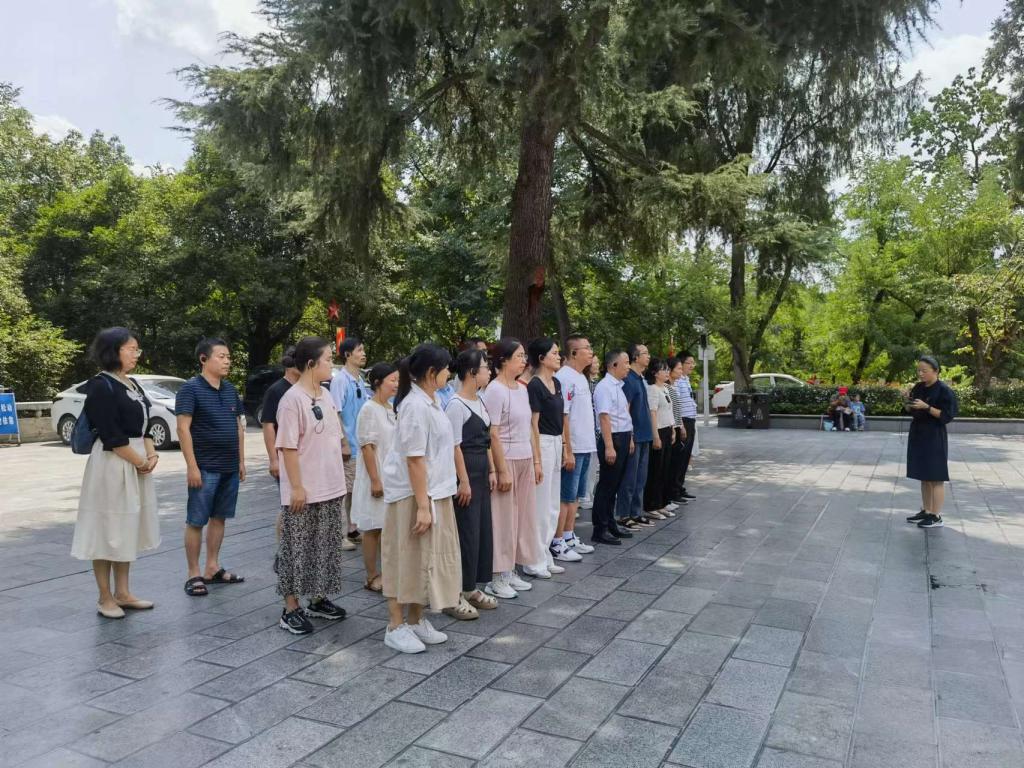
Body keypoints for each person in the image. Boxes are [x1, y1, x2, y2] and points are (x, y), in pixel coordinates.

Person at [72, 328, 160, 618]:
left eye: (137, 349)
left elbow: (146, 425)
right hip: (112, 464)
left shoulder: (132, 383)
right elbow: (111, 435)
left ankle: (123, 592)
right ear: (114, 351)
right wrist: (140, 461)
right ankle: (105, 597)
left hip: (136, 461)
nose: (137, 354)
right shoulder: (100, 386)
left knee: (126, 528)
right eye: (131, 349)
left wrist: (151, 454)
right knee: (106, 530)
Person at [381, 343, 462, 653]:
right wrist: (423, 507)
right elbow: (414, 459)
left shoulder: (431, 400)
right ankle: (395, 625)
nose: (449, 373)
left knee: (424, 560)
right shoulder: (415, 406)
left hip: (434, 491)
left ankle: (415, 620)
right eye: (446, 369)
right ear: (431, 372)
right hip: (413, 495)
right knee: (403, 558)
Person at [274, 337, 349, 634]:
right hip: (304, 489)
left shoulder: (326, 394)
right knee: (297, 548)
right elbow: (288, 447)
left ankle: (318, 599)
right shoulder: (291, 400)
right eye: (328, 359)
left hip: (330, 484)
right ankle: (290, 608)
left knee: (325, 547)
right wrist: (296, 487)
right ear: (310, 364)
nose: (332, 364)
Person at [176, 338, 246, 597]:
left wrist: (241, 461)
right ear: (203, 359)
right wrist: (191, 466)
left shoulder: (230, 390)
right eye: (221, 356)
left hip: (229, 466)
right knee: (196, 520)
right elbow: (182, 428)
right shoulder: (190, 389)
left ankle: (212, 567)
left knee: (220, 517)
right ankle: (193, 573)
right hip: (205, 467)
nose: (227, 361)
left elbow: (238, 427)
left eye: (228, 356)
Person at [482, 338, 542, 598]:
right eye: (519, 356)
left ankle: (511, 569)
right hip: (506, 459)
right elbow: (492, 433)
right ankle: (496, 575)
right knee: (503, 518)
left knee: (523, 517)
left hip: (524, 457)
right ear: (504, 360)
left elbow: (528, 427)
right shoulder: (495, 390)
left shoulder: (521, 388)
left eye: (524, 355)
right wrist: (500, 469)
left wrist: (536, 460)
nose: (524, 360)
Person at [444, 348, 499, 618]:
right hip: (465, 472)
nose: (489, 372)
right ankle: (456, 590)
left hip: (481, 471)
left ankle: (471, 587)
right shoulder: (456, 404)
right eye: (485, 367)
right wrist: (463, 481)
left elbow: (487, 441)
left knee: (480, 531)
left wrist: (492, 469)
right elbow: (454, 446)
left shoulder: (480, 400)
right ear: (472, 372)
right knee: (465, 532)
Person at [352, 362, 399, 594]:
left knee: (387, 527)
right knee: (372, 528)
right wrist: (375, 480)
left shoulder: (390, 407)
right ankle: (371, 575)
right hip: (376, 474)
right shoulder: (369, 409)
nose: (396, 384)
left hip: (392, 476)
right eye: (392, 380)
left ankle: (388, 572)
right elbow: (367, 447)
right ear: (378, 382)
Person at [525, 337, 567, 579]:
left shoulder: (557, 382)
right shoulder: (535, 386)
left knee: (552, 504)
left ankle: (545, 553)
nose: (558, 357)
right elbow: (533, 424)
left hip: (556, 441)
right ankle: (533, 559)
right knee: (540, 506)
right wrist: (537, 459)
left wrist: (565, 446)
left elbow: (561, 417)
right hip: (541, 442)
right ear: (541, 358)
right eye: (554, 353)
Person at [554, 334, 597, 558]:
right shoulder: (564, 377)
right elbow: (563, 416)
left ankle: (569, 536)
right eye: (586, 348)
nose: (590, 352)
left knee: (577, 496)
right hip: (574, 446)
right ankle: (557, 541)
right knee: (566, 496)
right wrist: (567, 449)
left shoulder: (581, 377)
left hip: (586, 445)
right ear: (573, 353)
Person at [905, 355, 959, 529]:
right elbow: (911, 409)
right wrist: (908, 402)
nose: (920, 374)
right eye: (918, 371)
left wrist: (927, 407)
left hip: (934, 436)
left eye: (924, 371)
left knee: (935, 477)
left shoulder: (944, 390)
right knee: (924, 475)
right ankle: (927, 510)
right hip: (918, 433)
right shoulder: (918, 387)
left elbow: (947, 416)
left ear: (936, 371)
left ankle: (936, 515)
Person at [591, 350, 635, 545]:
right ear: (613, 365)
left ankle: (610, 524)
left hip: (622, 437)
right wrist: (609, 446)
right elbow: (604, 417)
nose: (628, 366)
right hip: (613, 439)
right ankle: (600, 529)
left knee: (615, 485)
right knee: (606, 486)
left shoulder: (618, 386)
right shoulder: (604, 387)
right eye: (625, 363)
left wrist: (630, 438)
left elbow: (623, 415)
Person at [330, 337, 370, 550]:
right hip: (349, 447)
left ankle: (352, 529)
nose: (363, 354)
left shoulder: (359, 379)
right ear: (347, 355)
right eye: (359, 350)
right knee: (343, 491)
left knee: (355, 490)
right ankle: (337, 535)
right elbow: (335, 413)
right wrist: (343, 443)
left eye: (363, 350)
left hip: (360, 446)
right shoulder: (340, 381)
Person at [617, 343, 654, 529]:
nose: (648, 356)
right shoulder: (629, 380)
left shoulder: (640, 379)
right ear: (635, 357)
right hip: (634, 436)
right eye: (645, 353)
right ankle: (624, 515)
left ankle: (636, 512)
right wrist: (630, 436)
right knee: (629, 479)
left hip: (645, 435)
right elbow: (626, 410)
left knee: (641, 478)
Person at [259, 347, 300, 482]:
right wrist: (273, 460)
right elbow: (268, 425)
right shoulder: (275, 391)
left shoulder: (305, 388)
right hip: (284, 454)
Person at [643, 358, 674, 520]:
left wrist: (673, 429)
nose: (667, 372)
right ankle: (651, 505)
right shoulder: (652, 389)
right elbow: (652, 413)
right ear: (655, 373)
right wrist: (655, 436)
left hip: (667, 430)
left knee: (665, 469)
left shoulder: (665, 388)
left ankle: (661, 503)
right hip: (658, 431)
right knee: (655, 469)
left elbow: (668, 410)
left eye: (668, 369)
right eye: (664, 369)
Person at [670, 353, 698, 503]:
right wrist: (681, 425)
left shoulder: (686, 379)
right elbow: (676, 404)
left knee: (686, 457)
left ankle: (680, 487)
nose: (692, 366)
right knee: (680, 458)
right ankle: (674, 490)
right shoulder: (678, 381)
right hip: (684, 422)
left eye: (693, 363)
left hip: (690, 420)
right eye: (689, 363)